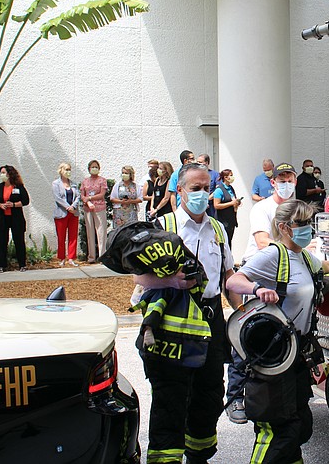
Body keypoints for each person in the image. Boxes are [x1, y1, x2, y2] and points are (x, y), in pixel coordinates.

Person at [226, 200, 329, 464]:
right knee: (279, 428)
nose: (307, 229)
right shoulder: (273, 255)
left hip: (298, 353)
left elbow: (325, 267)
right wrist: (258, 289)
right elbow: (234, 280)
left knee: (299, 424)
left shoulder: (304, 257)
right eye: (301, 224)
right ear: (284, 227)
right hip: (276, 354)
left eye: (308, 224)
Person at [133, 162, 235, 464]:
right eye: (195, 189)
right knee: (170, 398)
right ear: (180, 191)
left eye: (207, 188)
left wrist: (255, 294)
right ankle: (165, 460)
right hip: (171, 324)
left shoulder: (217, 229)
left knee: (210, 393)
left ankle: (199, 455)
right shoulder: (163, 227)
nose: (202, 194)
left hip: (211, 319)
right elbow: (138, 278)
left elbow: (228, 276)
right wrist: (171, 281)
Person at [225, 162, 299, 425]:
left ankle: (277, 393)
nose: (286, 182)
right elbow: (262, 242)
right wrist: (297, 245)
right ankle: (235, 397)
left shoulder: (296, 207)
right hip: (260, 276)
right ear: (273, 182)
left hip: (288, 279)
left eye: (290, 177)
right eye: (281, 178)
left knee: (281, 336)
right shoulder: (263, 208)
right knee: (247, 337)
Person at [0, 165, 30, 272]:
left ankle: (22, 264)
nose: (2, 175)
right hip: (2, 217)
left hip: (16, 217)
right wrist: (0, 205)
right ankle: (1, 265)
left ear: (9, 174)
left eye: (4, 173)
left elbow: (25, 201)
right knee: (2, 241)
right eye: (1, 173)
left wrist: (13, 204)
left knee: (19, 240)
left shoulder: (18, 187)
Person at [52, 163, 79, 267]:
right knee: (61, 237)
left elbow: (77, 196)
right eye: (67, 169)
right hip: (61, 214)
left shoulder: (73, 184)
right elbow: (57, 198)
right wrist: (68, 207)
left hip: (73, 214)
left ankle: (71, 258)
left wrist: (73, 207)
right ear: (61, 170)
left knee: (73, 236)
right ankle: (62, 258)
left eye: (70, 169)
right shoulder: (56, 183)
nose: (69, 171)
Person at [81, 159, 108, 263]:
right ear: (89, 169)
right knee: (90, 233)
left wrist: (90, 199)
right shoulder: (85, 181)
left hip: (99, 208)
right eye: (92, 167)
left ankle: (102, 257)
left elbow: (102, 194)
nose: (94, 169)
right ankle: (91, 257)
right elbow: (83, 195)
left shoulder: (102, 180)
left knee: (101, 232)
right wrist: (87, 202)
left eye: (96, 167)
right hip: (88, 209)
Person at [212, 168, 241, 247]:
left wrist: (236, 203)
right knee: (223, 243)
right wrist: (231, 203)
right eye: (230, 176)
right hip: (222, 221)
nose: (232, 177)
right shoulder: (219, 190)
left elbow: (233, 200)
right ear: (225, 177)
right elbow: (216, 205)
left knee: (229, 242)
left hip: (231, 221)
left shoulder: (231, 188)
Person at [197, 153, 219, 218]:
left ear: (206, 163)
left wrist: (208, 199)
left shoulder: (215, 174)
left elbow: (218, 189)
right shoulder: (195, 174)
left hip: (210, 206)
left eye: (200, 162)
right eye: (197, 162)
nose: (198, 164)